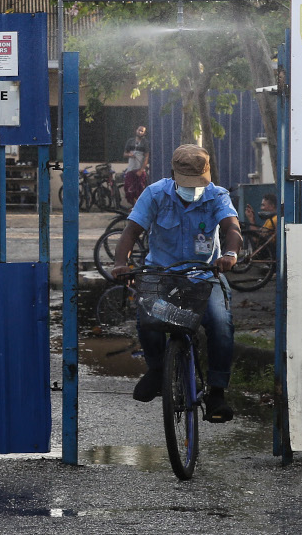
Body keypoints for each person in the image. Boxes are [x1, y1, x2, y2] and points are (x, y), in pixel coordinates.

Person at [111, 144, 242, 422]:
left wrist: (230, 254)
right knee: (147, 316)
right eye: (187, 183)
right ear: (173, 175)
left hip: (205, 275)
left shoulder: (217, 196)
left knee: (221, 323)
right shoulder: (155, 194)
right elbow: (131, 231)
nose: (192, 189)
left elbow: (232, 228)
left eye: (197, 183)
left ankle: (217, 391)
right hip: (161, 273)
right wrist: (121, 263)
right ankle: (157, 370)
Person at [122, 125, 149, 205]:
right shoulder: (130, 141)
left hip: (140, 169)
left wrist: (141, 170)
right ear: (136, 130)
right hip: (130, 169)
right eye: (139, 130)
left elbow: (146, 157)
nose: (140, 132)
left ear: (144, 133)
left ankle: (138, 206)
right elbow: (124, 154)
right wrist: (129, 155)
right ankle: (134, 204)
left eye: (142, 131)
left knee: (139, 189)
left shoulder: (145, 143)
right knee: (128, 188)